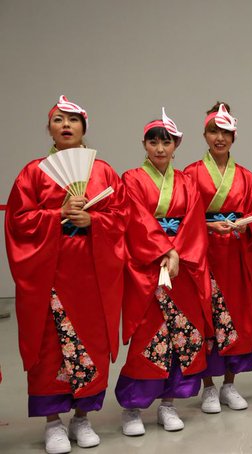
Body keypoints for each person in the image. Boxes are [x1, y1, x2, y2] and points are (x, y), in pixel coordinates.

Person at [5, 95, 128, 453]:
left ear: (84, 127)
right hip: (51, 272)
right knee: (50, 345)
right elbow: (18, 221)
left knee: (91, 342)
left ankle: (82, 417)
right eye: (58, 120)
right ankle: (53, 422)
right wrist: (55, 214)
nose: (66, 125)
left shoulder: (103, 172)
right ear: (49, 129)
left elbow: (122, 218)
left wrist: (93, 220)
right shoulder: (33, 172)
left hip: (91, 272)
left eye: (72, 120)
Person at [115, 109, 213, 434]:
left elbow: (194, 223)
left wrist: (177, 253)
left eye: (166, 142)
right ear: (144, 144)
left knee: (179, 336)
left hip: (180, 268)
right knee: (148, 335)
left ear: (176, 146)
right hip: (148, 267)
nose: (160, 148)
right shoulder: (131, 179)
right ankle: (132, 407)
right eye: (153, 141)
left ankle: (168, 403)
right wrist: (164, 250)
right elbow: (136, 220)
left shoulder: (186, 182)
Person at [184, 103, 252, 414]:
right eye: (213, 131)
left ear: (234, 136)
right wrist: (207, 225)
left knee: (238, 317)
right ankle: (208, 386)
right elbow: (184, 217)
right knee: (208, 318)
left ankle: (230, 384)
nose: (220, 138)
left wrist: (244, 226)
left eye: (226, 132)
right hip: (204, 256)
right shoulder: (190, 173)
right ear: (204, 135)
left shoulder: (245, 176)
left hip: (236, 256)